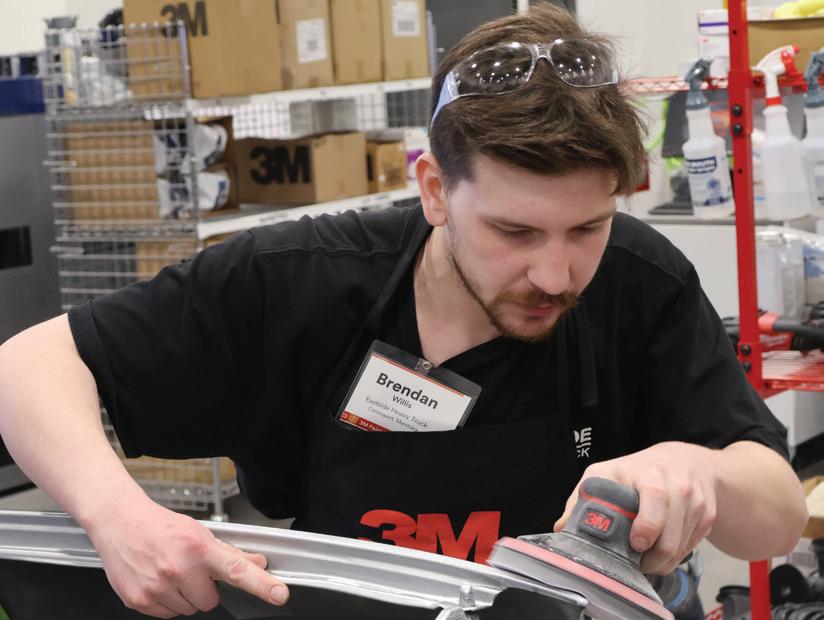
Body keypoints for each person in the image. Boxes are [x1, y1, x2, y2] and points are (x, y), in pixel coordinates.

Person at [0, 4, 807, 618]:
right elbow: (28, 366)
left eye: (588, 228)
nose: (556, 274)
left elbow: (775, 516)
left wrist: (699, 471)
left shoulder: (640, 283)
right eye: (514, 232)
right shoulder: (300, 281)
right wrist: (119, 518)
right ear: (433, 190)